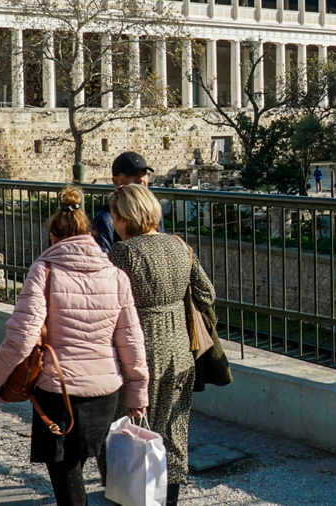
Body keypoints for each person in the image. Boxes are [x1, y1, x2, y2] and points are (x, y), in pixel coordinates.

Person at [0, 186, 149, 506]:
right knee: (80, 467)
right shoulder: (115, 275)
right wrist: (137, 393)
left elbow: (23, 336)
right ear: (89, 234)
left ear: (53, 237)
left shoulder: (45, 269)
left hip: (59, 391)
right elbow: (131, 340)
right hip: (105, 392)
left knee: (66, 479)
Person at [106, 184, 215, 506]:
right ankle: (170, 499)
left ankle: (135, 496)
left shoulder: (122, 253)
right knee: (174, 432)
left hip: (139, 353)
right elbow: (207, 295)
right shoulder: (180, 246)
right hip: (180, 351)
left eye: (114, 216)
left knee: (135, 433)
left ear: (125, 217)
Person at [91, 152, 162, 253]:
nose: (141, 179)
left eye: (144, 174)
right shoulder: (105, 219)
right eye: (133, 175)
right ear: (115, 181)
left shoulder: (153, 211)